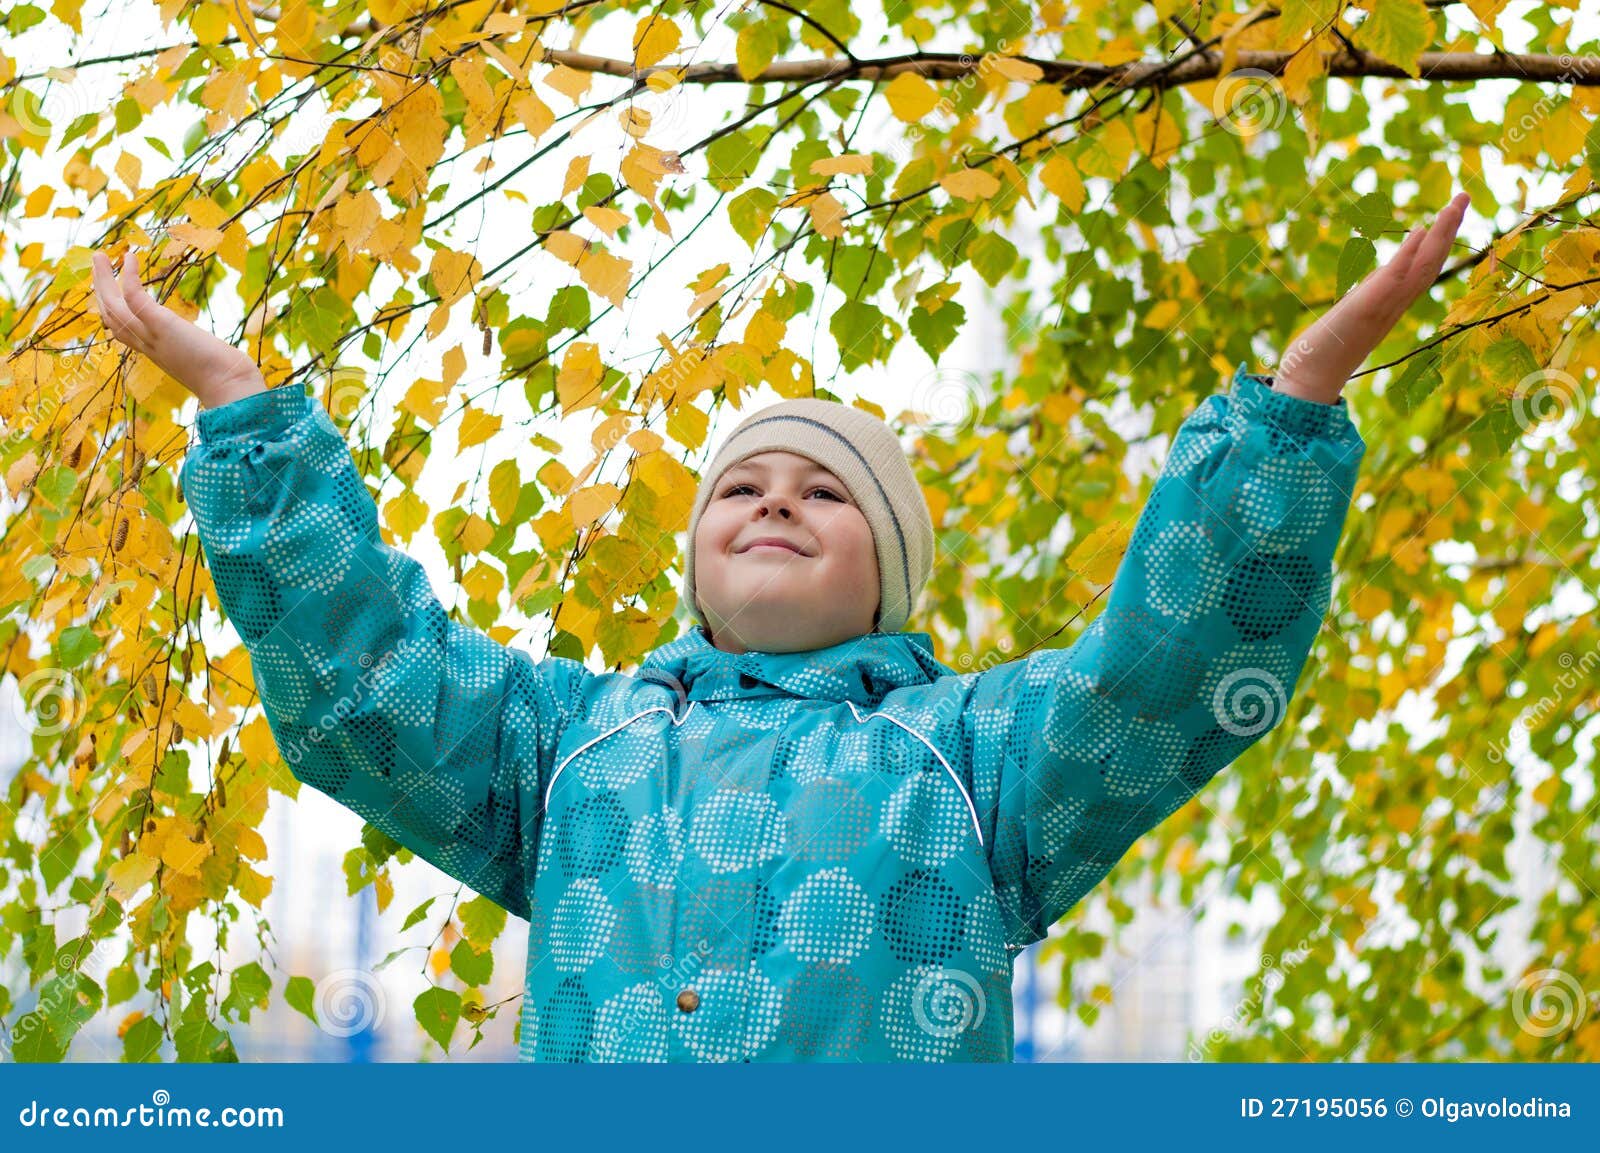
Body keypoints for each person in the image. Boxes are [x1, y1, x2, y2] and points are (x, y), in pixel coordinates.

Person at [90, 193, 1471, 1061]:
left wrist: (1287, 417)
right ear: (693, 556)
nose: (774, 503)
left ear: (892, 574)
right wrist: (242, 410)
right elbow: (369, 675)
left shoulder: (976, 758)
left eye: (826, 491)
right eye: (740, 487)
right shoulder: (569, 749)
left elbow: (1165, 678)